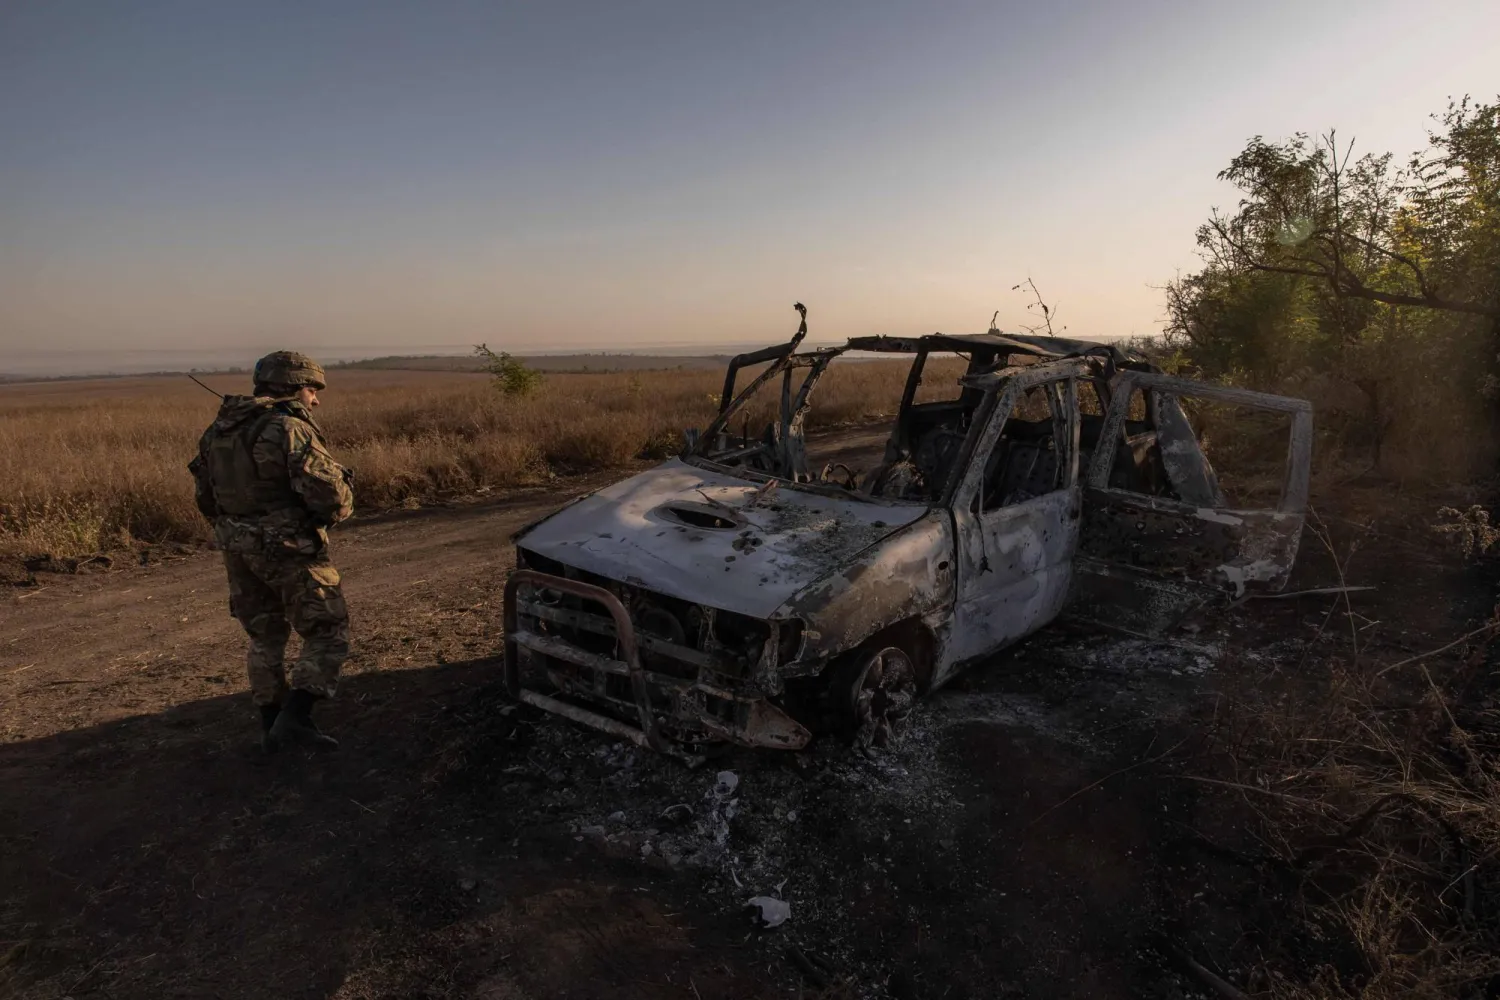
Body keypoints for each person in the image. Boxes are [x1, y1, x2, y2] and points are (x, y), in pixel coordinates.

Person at [188, 351, 355, 752]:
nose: (316, 399)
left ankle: (271, 725)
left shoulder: (218, 431)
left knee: (265, 636)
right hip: (288, 547)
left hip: (237, 547)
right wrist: (344, 498)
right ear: (293, 386)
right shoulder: (289, 428)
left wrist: (242, 527)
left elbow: (206, 499)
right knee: (328, 631)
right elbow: (330, 497)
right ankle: (296, 718)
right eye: (312, 389)